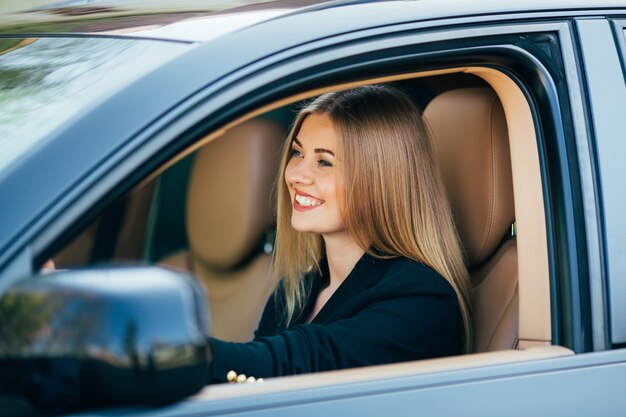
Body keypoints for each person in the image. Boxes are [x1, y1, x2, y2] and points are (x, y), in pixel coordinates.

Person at [208, 84, 472, 383]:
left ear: (380, 180)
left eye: (324, 161)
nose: (294, 175)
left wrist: (188, 360)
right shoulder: (295, 291)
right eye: (297, 152)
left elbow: (311, 357)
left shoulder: (423, 299)